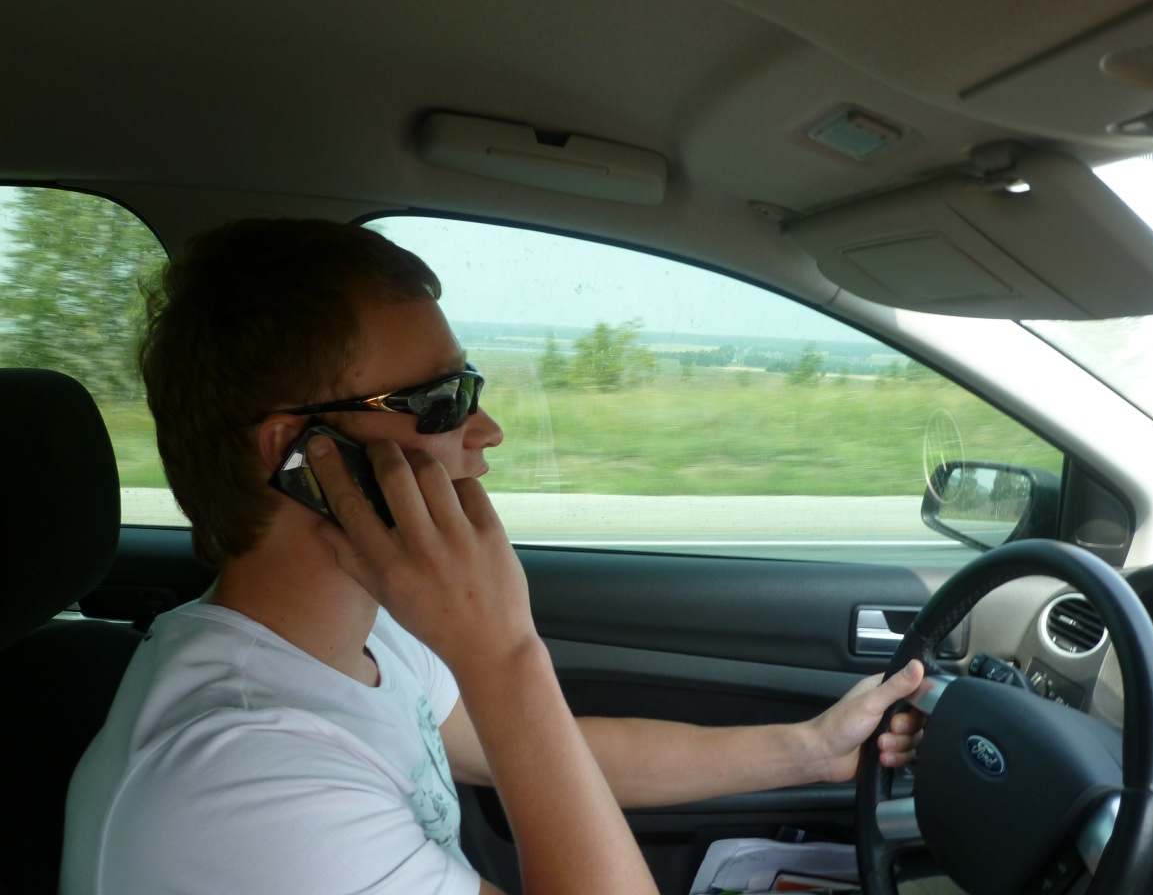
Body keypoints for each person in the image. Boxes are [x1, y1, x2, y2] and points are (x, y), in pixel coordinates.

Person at [60, 219, 925, 895]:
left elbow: (536, 754)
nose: (488, 430)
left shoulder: (356, 635)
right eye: (441, 400)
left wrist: (809, 750)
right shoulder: (244, 774)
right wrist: (503, 651)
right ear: (301, 456)